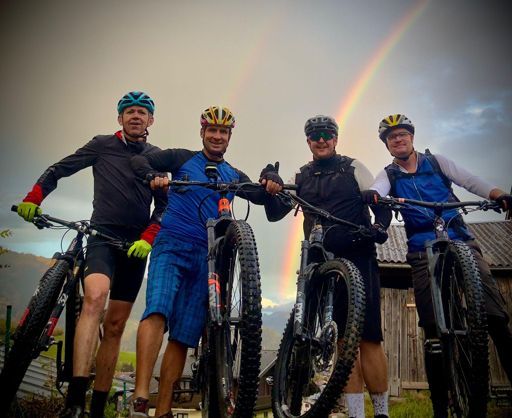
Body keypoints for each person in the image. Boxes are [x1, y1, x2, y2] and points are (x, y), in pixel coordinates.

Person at [15, 91, 167, 418]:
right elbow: (60, 169)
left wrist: (149, 237)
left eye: (142, 112)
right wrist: (34, 197)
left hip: (135, 246)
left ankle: (96, 409)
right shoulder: (102, 145)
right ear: (120, 118)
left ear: (151, 120)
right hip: (102, 236)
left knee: (115, 327)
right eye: (129, 111)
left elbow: (163, 207)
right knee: (95, 299)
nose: (135, 116)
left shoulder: (157, 157)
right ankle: (74, 403)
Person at [128, 106, 284, 418]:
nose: (217, 136)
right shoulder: (180, 158)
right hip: (171, 245)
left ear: (229, 137)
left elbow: (261, 195)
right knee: (157, 309)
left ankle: (163, 410)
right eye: (211, 130)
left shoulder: (233, 175)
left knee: (183, 336)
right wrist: (152, 175)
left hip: (207, 257)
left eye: (223, 132)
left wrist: (271, 178)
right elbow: (139, 160)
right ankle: (141, 395)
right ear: (202, 132)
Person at [363, 114, 512, 418]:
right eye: (392, 137)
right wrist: (375, 195)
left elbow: (470, 180)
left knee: (495, 318)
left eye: (402, 134)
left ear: (412, 137)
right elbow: (378, 187)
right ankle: (440, 409)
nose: (398, 139)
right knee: (432, 330)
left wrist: (498, 194)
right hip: (422, 248)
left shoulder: (437, 162)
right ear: (387, 145)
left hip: (460, 238)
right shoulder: (390, 174)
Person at [265, 115, 391, 418]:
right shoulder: (302, 175)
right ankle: (357, 414)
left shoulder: (353, 167)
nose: (321, 140)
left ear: (335, 138)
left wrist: (379, 227)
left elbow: (380, 202)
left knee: (369, 338)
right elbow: (274, 213)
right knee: (344, 343)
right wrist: (271, 183)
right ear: (308, 141)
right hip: (321, 261)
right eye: (315, 136)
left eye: (327, 135)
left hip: (358, 255)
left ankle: (382, 412)